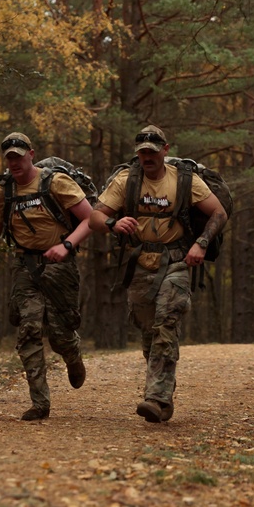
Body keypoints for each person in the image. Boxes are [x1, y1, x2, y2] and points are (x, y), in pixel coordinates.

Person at [89, 125, 227, 423]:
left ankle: (156, 397)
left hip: (177, 261)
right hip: (139, 263)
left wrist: (201, 244)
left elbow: (218, 212)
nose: (148, 157)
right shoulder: (126, 181)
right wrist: (112, 224)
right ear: (137, 154)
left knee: (167, 323)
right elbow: (94, 217)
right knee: (149, 333)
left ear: (165, 150)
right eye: (143, 152)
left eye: (153, 151)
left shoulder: (185, 181)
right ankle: (164, 391)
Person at [0, 132, 93, 421]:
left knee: (60, 334)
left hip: (59, 265)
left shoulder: (55, 182)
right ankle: (40, 402)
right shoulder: (3, 192)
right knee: (28, 329)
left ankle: (72, 353)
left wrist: (66, 245)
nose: (14, 162)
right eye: (9, 158)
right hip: (24, 265)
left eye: (19, 156)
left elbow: (92, 218)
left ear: (31, 153)